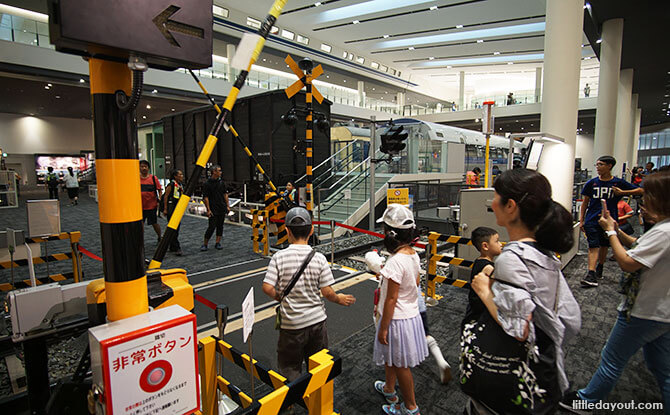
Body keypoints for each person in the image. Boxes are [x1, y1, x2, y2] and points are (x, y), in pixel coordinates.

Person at [469, 168, 581, 413]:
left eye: (496, 197)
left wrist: (484, 291)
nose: (492, 203)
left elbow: (520, 328)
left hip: (512, 383)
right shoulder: (543, 250)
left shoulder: (511, 259)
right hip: (545, 373)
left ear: (510, 206)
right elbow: (570, 320)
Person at [561, 172, 670, 413]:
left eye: (648, 194)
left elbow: (628, 262)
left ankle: (586, 402)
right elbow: (639, 246)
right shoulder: (663, 228)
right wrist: (617, 230)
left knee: (612, 359)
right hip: (662, 312)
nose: (643, 199)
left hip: (643, 310)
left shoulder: (664, 232)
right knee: (661, 367)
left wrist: (610, 232)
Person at [262, 207, 355, 381]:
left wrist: (281, 297)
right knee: (318, 364)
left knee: (289, 366)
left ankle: (289, 403)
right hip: (316, 322)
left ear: (287, 231)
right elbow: (327, 292)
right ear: (311, 230)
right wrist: (339, 298)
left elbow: (267, 287)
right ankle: (318, 399)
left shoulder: (279, 257)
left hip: (291, 325)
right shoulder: (319, 258)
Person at [373, 204, 428, 415]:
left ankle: (411, 407)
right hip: (410, 314)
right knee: (393, 358)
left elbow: (391, 300)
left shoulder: (395, 261)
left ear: (390, 234)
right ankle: (389, 389)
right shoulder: (412, 254)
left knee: (400, 364)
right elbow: (412, 282)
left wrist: (383, 327)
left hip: (396, 319)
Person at [579, 156, 642, 288]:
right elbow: (585, 202)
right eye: (596, 165)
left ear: (609, 166)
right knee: (593, 245)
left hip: (610, 220)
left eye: (601, 165)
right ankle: (591, 272)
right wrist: (582, 220)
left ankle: (600, 266)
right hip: (592, 219)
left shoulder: (618, 183)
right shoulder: (591, 183)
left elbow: (640, 190)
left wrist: (623, 192)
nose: (598, 167)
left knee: (604, 245)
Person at [462, 227, 502, 327]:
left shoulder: (479, 261)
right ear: (485, 246)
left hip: (473, 311)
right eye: (497, 241)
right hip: (481, 314)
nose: (501, 244)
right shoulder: (489, 268)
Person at [201, 165, 229, 251]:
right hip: (213, 208)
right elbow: (206, 197)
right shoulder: (207, 184)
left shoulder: (222, 183)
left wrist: (227, 206)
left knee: (220, 226)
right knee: (211, 227)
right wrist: (208, 209)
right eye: (219, 171)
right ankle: (205, 244)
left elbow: (225, 194)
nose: (221, 172)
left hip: (221, 207)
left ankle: (218, 242)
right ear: (214, 172)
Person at [139, 160, 162, 242]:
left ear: (148, 168)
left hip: (151, 206)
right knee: (140, 225)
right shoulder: (136, 178)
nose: (144, 168)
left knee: (154, 223)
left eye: (145, 166)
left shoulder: (153, 178)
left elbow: (159, 189)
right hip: (140, 207)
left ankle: (159, 237)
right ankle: (140, 240)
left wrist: (160, 199)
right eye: (142, 166)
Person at [162, 170, 184, 256]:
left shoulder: (180, 185)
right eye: (180, 174)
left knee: (176, 228)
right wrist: (165, 209)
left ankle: (172, 246)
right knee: (174, 227)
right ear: (175, 176)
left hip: (177, 207)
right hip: (171, 207)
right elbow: (166, 196)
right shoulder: (171, 185)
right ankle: (176, 247)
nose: (182, 176)